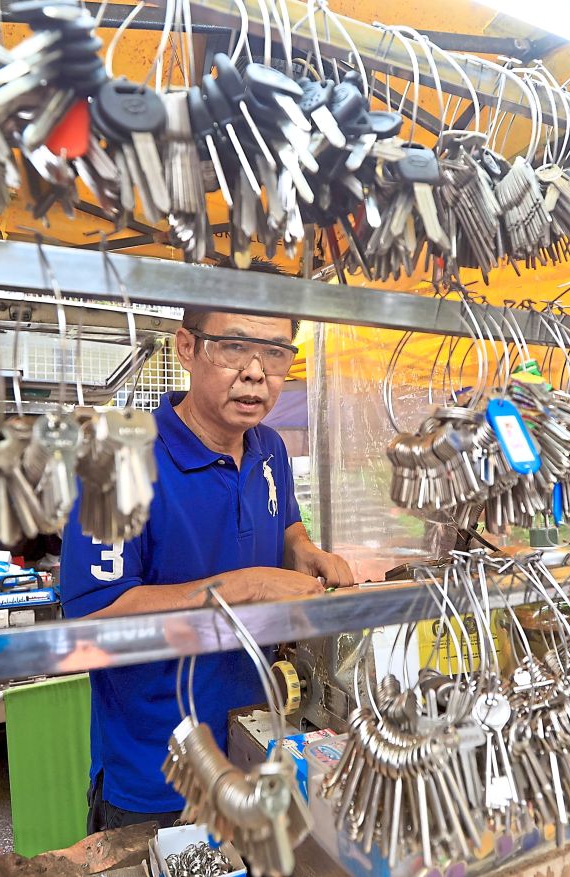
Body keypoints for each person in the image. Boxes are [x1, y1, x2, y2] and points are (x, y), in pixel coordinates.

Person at [61, 304, 354, 833]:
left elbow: (286, 527)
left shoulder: (269, 450)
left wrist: (304, 550)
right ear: (187, 348)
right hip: (160, 776)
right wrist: (248, 586)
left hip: (262, 743)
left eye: (275, 352)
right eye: (235, 346)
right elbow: (95, 618)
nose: (256, 372)